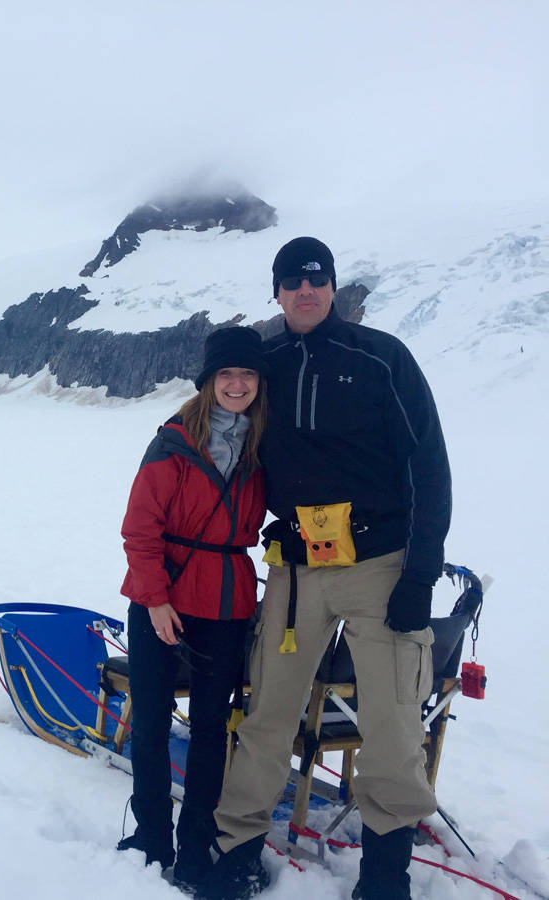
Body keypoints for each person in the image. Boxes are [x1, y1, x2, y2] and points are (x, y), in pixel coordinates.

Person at [200, 238, 452, 900]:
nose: (305, 290)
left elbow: (429, 466)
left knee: (394, 723)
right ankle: (237, 850)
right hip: (295, 569)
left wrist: (420, 576)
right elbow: (219, 432)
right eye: (292, 281)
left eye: (317, 279)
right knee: (267, 715)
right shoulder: (266, 362)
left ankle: (384, 873)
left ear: (333, 287)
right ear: (277, 292)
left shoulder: (381, 359)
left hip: (382, 565)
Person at [118, 326, 269, 892]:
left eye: (247, 375)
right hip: (164, 599)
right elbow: (140, 528)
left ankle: (198, 844)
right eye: (226, 375)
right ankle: (152, 836)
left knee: (210, 729)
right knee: (153, 721)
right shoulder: (174, 442)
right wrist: (155, 598)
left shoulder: (262, 447)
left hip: (227, 600)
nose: (236, 384)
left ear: (259, 383)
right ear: (208, 383)